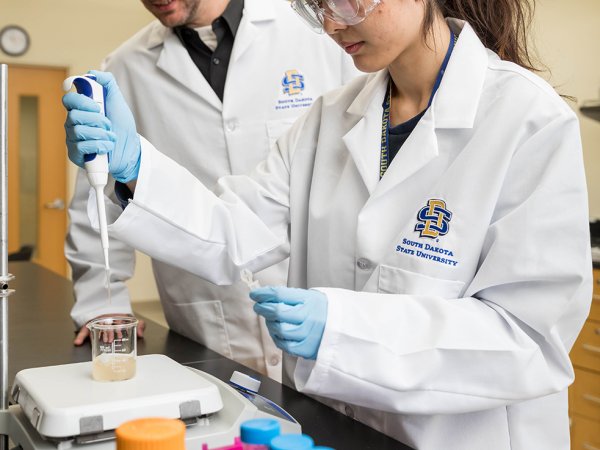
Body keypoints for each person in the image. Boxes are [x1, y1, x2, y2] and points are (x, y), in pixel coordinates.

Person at [63, 0, 593, 448]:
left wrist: (340, 327)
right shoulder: (329, 117)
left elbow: (526, 338)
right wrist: (136, 171)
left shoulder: (528, 120)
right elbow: (233, 229)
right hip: (337, 423)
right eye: (315, 5)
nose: (331, 24)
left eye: (343, 0)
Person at [65, 0, 359, 380]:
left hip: (318, 304)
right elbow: (99, 190)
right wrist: (100, 299)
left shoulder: (315, 32)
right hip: (205, 316)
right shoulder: (125, 66)